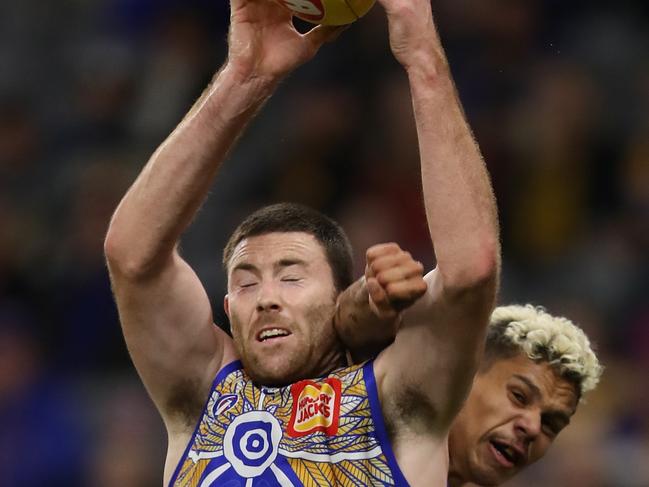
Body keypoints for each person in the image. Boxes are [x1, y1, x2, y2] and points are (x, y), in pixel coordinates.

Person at [104, 0, 500, 485]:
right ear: (227, 309)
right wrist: (244, 77)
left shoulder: (398, 402)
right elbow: (132, 256)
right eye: (246, 285)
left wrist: (421, 56)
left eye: (292, 277)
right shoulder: (203, 393)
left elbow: (470, 272)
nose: (268, 298)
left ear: (340, 300)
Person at [335, 269, 602, 486]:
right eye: (519, 397)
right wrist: (364, 303)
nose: (532, 427)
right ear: (465, 375)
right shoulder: (370, 421)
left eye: (550, 425)